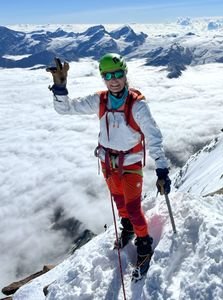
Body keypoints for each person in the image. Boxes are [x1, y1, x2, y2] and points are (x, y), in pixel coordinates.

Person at [46, 54, 171, 279]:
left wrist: (162, 168)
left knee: (133, 208)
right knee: (120, 203)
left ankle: (144, 244)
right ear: (103, 78)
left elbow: (154, 136)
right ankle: (129, 228)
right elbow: (65, 110)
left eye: (118, 74)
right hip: (108, 164)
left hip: (130, 165)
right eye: (108, 76)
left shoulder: (137, 105)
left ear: (125, 74)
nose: (114, 80)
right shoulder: (100, 100)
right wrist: (60, 86)